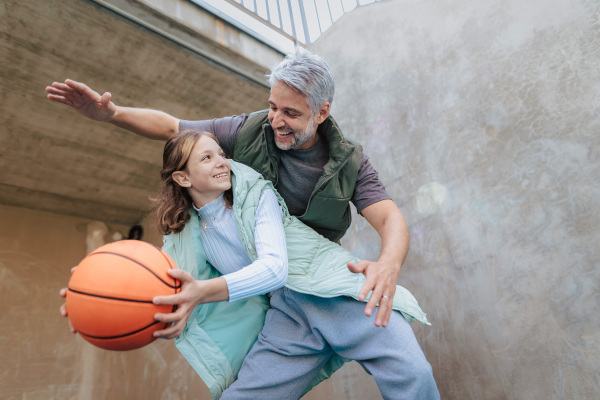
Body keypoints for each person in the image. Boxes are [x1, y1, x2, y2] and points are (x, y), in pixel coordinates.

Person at [47, 50, 410, 329]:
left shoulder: (350, 162)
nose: (276, 120)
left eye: (291, 114)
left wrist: (388, 265)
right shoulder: (248, 130)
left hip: (307, 271)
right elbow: (173, 128)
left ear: (321, 113)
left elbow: (390, 217)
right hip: (251, 281)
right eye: (272, 107)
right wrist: (113, 114)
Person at [147, 129, 438, 399]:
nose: (222, 162)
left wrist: (201, 292)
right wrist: (180, 312)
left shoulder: (257, 196)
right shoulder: (186, 237)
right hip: (287, 316)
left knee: (414, 375)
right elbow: (175, 289)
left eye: (221, 154)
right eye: (207, 158)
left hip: (335, 289)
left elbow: (275, 269)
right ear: (183, 178)